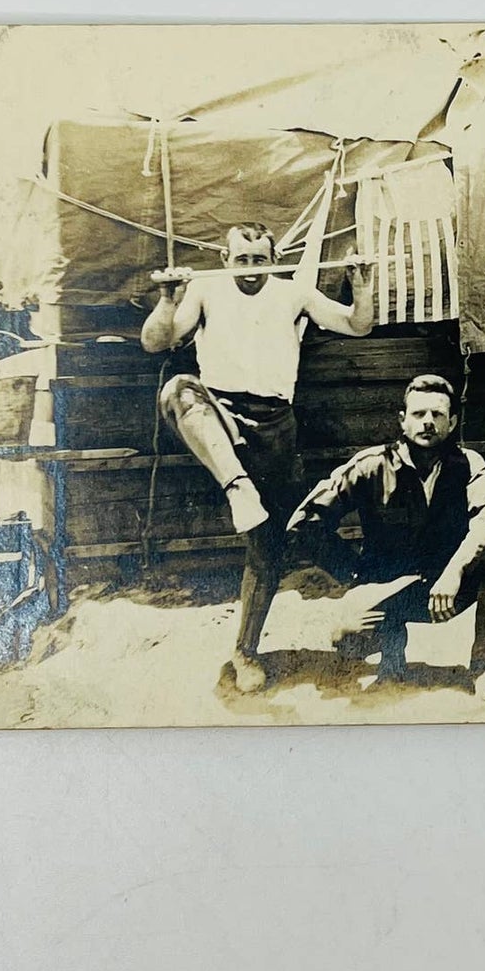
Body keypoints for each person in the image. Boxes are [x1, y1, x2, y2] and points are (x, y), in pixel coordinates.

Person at [140, 222, 376, 693]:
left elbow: (357, 324)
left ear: (274, 258)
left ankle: (245, 651)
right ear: (226, 260)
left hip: (274, 425)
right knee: (178, 391)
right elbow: (154, 341)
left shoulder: (295, 294)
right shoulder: (205, 291)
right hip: (221, 415)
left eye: (259, 259)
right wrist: (168, 299)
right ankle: (236, 486)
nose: (250, 269)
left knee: (269, 546)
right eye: (241, 259)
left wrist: (363, 286)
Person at [284, 375, 485, 703]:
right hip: (388, 590)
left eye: (438, 415)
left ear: (452, 422)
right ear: (403, 421)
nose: (428, 422)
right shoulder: (371, 466)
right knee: (349, 639)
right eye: (419, 414)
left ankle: (482, 667)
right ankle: (391, 659)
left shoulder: (467, 465)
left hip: (447, 588)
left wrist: (454, 571)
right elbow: (305, 523)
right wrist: (353, 576)